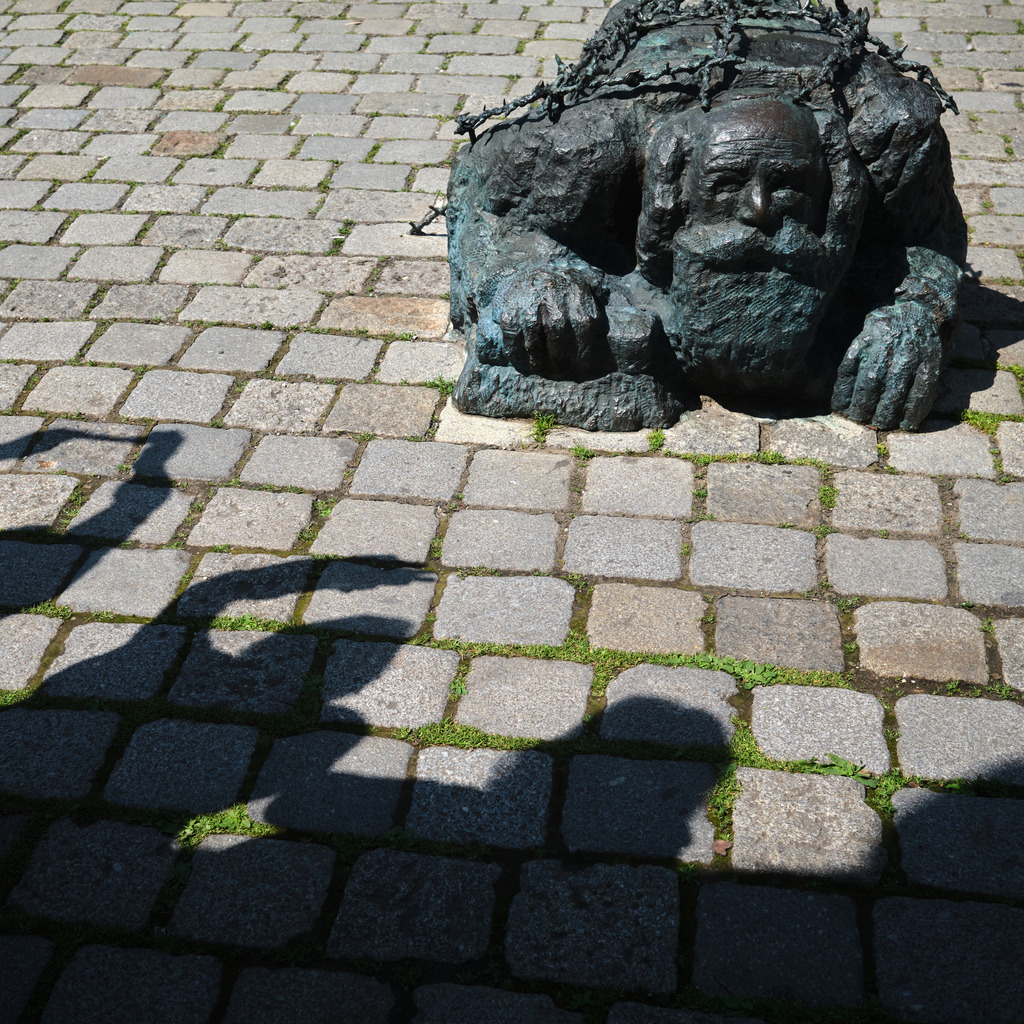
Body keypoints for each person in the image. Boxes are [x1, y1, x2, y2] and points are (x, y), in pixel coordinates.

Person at [445, 0, 967, 431]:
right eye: (727, 184)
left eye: (788, 185)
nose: (759, 212)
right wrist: (527, 277)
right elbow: (482, 204)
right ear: (675, 193)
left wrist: (917, 311)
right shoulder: (581, 150)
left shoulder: (895, 139)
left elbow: (932, 242)